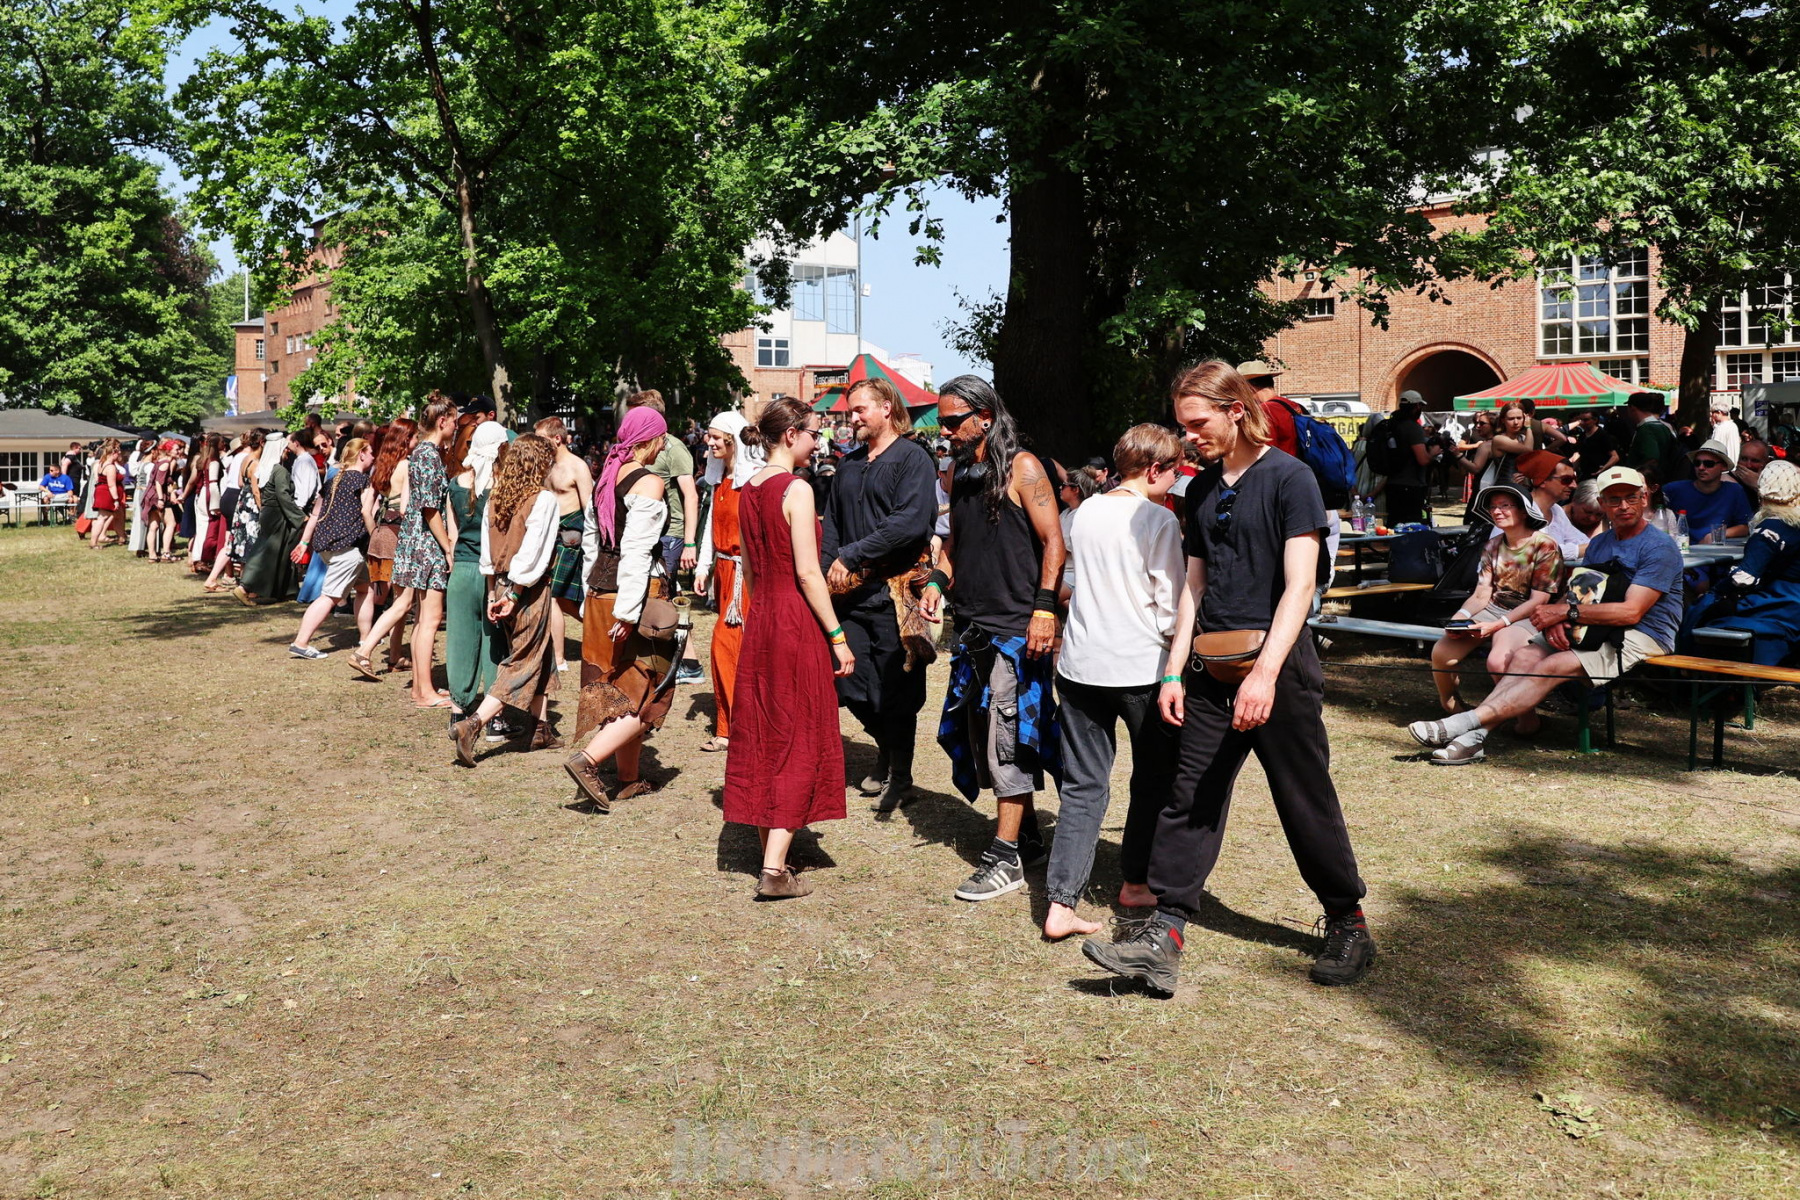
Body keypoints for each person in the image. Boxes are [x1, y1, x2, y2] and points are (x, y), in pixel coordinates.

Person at [1082, 361, 1372, 997]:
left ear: (1235, 410)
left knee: (1302, 796)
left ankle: (1347, 920)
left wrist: (1264, 675)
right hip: (1209, 670)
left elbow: (1300, 586)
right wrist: (1173, 671)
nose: (1188, 437)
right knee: (1190, 796)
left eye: (1197, 423)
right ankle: (1164, 933)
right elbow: (1194, 585)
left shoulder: (1290, 478)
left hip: (1279, 669)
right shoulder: (1201, 490)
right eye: (1182, 425)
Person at [1408, 465, 1684, 765]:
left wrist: (1566, 612)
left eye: (1631, 497)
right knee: (1523, 658)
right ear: (1601, 504)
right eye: (1614, 499)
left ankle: (1460, 725)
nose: (1623, 506)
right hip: (1590, 623)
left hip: (1645, 632)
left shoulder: (1659, 547)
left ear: (1644, 499)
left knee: (1553, 664)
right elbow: (1580, 588)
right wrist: (1559, 618)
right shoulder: (1601, 543)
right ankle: (1473, 740)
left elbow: (1631, 612)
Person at [917, 374, 1066, 903]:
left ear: (984, 417)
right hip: (973, 627)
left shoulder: (1024, 468)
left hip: (1017, 629)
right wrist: (937, 582)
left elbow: (1055, 543)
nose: (945, 430)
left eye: (952, 421)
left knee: (1010, 737)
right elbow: (956, 545)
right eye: (942, 421)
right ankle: (1027, 836)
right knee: (984, 732)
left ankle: (1005, 858)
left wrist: (1043, 610)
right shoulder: (960, 472)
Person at [1043, 424, 1184, 940]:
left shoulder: (1083, 512)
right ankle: (1136, 882)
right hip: (1140, 667)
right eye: (1173, 472)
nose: (1176, 481)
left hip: (1081, 665)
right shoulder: (1158, 519)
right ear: (1154, 469)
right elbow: (1171, 604)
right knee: (1152, 780)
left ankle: (1061, 903)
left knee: (1083, 786)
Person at [720, 398, 854, 899]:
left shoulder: (747, 489)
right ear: (792, 434)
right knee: (799, 733)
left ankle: (770, 853)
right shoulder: (796, 489)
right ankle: (774, 869)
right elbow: (808, 572)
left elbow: (751, 571)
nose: (818, 443)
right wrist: (837, 636)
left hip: (763, 619)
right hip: (796, 620)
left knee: (765, 733)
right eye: (814, 433)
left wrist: (762, 614)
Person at [822, 377, 939, 811]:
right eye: (850, 411)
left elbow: (909, 523)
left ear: (887, 407)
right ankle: (886, 750)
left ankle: (900, 776)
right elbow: (833, 524)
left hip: (896, 592)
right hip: (850, 596)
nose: (852, 418)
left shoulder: (913, 459)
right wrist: (826, 572)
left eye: (860, 410)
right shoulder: (849, 464)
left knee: (896, 690)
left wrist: (852, 555)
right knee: (850, 683)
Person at [559, 409, 680, 805]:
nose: (664, 445)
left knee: (615, 689)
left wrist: (587, 593)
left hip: (600, 592)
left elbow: (592, 545)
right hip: (632, 597)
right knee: (646, 690)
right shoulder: (648, 483)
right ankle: (588, 761)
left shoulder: (606, 477)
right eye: (662, 438)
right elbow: (636, 551)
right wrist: (628, 612)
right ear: (652, 440)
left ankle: (628, 779)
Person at [449, 434, 568, 762]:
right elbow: (532, 553)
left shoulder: (497, 496)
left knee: (540, 654)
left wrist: (493, 593)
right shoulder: (542, 500)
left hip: (501, 586)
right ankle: (473, 725)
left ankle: (540, 728)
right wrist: (515, 593)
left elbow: (487, 554)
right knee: (522, 661)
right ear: (539, 464)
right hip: (525, 591)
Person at [350, 397, 458, 707]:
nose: (455, 426)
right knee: (429, 620)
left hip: (416, 541)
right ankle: (424, 692)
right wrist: (448, 547)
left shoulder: (422, 453)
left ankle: (422, 688)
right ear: (442, 421)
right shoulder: (428, 455)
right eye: (453, 420)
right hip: (426, 544)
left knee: (423, 619)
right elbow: (429, 509)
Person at [1433, 485, 1565, 713]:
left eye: (1505, 505)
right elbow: (1481, 593)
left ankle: (1524, 717)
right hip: (1494, 609)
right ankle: (1451, 704)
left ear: (1523, 510)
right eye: (1493, 507)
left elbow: (1539, 600)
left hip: (1529, 615)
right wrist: (1459, 618)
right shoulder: (1492, 545)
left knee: (1498, 662)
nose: (1497, 511)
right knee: (1442, 653)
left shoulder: (1545, 545)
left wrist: (1497, 625)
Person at [1679, 460, 1800, 665]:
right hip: (1792, 602)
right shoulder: (1795, 523)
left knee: (1700, 612)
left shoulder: (1770, 529)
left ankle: (1688, 670)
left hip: (1780, 604)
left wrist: (1714, 593)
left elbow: (1745, 577)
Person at [693, 410, 764, 753]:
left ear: (733, 440)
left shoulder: (753, 481)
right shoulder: (720, 479)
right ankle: (730, 725)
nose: (709, 442)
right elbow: (711, 524)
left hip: (745, 576)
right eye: (709, 436)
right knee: (729, 647)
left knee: (730, 646)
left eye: (715, 437)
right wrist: (702, 567)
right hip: (723, 574)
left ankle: (739, 726)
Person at [625, 390, 703, 682]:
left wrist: (690, 543)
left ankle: (675, 664)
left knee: (662, 598)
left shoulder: (673, 448)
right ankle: (690, 663)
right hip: (652, 532)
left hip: (670, 534)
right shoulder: (637, 447)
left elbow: (690, 495)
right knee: (670, 596)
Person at [287, 438, 378, 658]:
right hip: (347, 548)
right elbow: (368, 512)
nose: (374, 456)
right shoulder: (362, 481)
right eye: (371, 452)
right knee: (329, 597)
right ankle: (301, 642)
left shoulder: (333, 480)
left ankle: (366, 637)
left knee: (365, 588)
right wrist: (376, 537)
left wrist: (304, 542)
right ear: (361, 454)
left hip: (327, 546)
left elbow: (315, 514)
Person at [446, 421, 510, 731]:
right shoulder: (502, 486)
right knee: (494, 643)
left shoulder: (455, 484)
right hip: (492, 572)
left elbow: (453, 534)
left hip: (461, 569)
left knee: (459, 641)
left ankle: (457, 711)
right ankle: (494, 719)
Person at [534, 416, 597, 677]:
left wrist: (592, 544)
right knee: (564, 600)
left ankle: (558, 659)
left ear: (557, 439)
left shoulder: (577, 467)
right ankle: (600, 631)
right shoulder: (545, 465)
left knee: (552, 595)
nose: (537, 443)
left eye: (541, 438)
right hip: (548, 534)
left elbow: (590, 509)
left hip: (571, 537)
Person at [234, 432, 310, 604]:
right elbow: (283, 496)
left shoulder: (264, 469)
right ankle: (244, 587)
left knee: (280, 552)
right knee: (268, 553)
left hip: (268, 513)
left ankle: (286, 590)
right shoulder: (279, 471)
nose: (287, 451)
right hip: (278, 516)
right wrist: (300, 517)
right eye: (285, 449)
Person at [365, 418, 416, 671]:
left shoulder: (381, 465)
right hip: (398, 534)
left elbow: (367, 509)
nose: (417, 441)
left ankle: (395, 656)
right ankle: (364, 651)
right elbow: (406, 509)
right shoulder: (406, 465)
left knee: (398, 601)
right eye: (415, 437)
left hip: (381, 533)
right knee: (401, 601)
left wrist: (376, 533)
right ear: (406, 440)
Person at [1663, 440, 1753, 543]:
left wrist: (1715, 535)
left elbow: (1745, 527)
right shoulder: (1673, 489)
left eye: (1709, 464)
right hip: (1680, 548)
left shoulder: (1734, 491)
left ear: (1723, 466)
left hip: (1716, 550)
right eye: (1697, 463)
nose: (1701, 468)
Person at [1509, 450, 1587, 558]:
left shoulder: (1556, 510)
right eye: (1566, 480)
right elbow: (1538, 553)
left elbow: (1581, 540)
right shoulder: (1521, 510)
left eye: (1574, 479)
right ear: (1542, 481)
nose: (1574, 485)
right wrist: (1581, 550)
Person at [1380, 391, 1438, 525]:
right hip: (1410, 486)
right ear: (1417, 406)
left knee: (1394, 526)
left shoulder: (1392, 424)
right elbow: (1422, 459)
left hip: (1392, 484)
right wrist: (1433, 453)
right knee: (1411, 527)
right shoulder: (1412, 427)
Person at [1624, 392, 1684, 480]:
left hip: (1651, 481)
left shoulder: (1647, 428)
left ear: (1632, 408)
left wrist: (1640, 479)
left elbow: (1651, 459)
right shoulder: (1664, 426)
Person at [84, 441, 124, 546]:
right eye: (118, 452)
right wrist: (116, 500)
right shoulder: (110, 467)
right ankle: (93, 542)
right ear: (113, 453)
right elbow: (111, 485)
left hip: (103, 491)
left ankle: (122, 537)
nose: (119, 454)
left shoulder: (101, 463)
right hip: (107, 494)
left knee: (117, 515)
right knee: (102, 518)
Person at [1568, 409, 1619, 480]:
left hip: (1600, 476)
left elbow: (1615, 457)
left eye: (1586, 420)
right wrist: (1571, 470)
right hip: (1586, 474)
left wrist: (1603, 468)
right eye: (1581, 420)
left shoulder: (1603, 435)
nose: (1582, 423)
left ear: (1595, 420)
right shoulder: (1582, 436)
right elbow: (1581, 456)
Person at [1733, 438, 1773, 506]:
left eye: (1755, 461)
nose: (1748, 465)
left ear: (1766, 463)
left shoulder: (1772, 484)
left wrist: (1758, 485)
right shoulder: (1727, 480)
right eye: (1744, 459)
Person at [1707, 397, 1742, 466]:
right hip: (1733, 462)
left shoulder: (1721, 428)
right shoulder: (1733, 425)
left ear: (1719, 412)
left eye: (1713, 412)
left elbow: (1716, 447)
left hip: (1723, 464)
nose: (1712, 415)